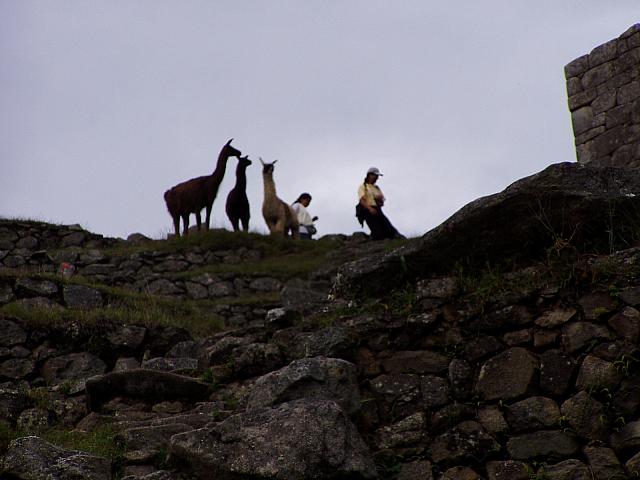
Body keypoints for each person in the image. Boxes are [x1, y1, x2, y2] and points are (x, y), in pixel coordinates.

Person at [357, 167, 401, 240]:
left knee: (388, 228)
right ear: (369, 175)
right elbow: (362, 200)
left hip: (377, 209)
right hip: (367, 210)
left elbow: (382, 200)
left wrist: (379, 201)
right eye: (375, 176)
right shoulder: (363, 186)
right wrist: (370, 209)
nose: (377, 178)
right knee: (377, 231)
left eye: (377, 176)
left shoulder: (376, 188)